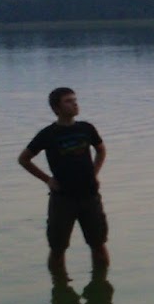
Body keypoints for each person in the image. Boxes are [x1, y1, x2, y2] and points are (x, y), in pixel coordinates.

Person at [18, 87, 110, 271]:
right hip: (63, 199)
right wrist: (48, 180)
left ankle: (101, 283)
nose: (74, 104)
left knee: (98, 245)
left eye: (75, 100)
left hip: (90, 196)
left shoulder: (87, 128)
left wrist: (94, 173)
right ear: (56, 108)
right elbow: (24, 159)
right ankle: (59, 283)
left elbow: (100, 150)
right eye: (68, 101)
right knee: (57, 249)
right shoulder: (48, 134)